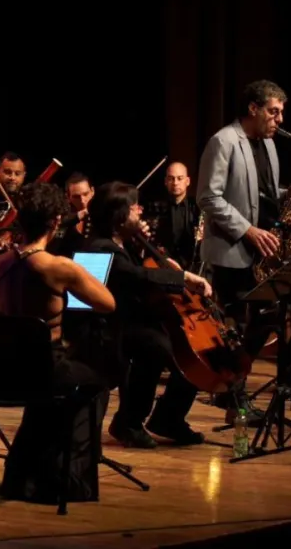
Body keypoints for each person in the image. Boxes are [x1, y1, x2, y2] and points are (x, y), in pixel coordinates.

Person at [0, 181, 118, 503]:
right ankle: (65, 478)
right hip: (45, 368)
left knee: (55, 386)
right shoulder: (56, 266)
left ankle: (24, 476)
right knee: (97, 380)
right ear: (56, 222)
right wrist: (73, 271)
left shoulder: (1, 261)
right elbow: (107, 302)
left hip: (7, 367)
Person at [196, 79, 291, 418]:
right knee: (236, 327)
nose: (279, 120)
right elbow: (208, 197)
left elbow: (263, 195)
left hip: (259, 250)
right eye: (273, 112)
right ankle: (233, 394)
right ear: (253, 109)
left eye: (281, 113)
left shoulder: (269, 145)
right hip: (231, 250)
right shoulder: (223, 141)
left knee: (266, 321)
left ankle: (233, 389)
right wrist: (247, 231)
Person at [86, 181, 213, 448]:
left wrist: (141, 245)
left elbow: (142, 266)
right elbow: (137, 274)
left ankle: (153, 419)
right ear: (119, 216)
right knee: (173, 352)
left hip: (133, 321)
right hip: (108, 329)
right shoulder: (99, 247)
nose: (141, 210)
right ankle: (137, 422)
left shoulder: (120, 242)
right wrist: (184, 277)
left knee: (163, 346)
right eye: (134, 208)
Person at [154, 161, 201, 270]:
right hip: (165, 267)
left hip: (193, 267)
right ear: (165, 181)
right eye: (171, 178)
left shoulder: (198, 207)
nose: (175, 183)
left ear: (187, 181)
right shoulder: (156, 208)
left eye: (180, 178)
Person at [49, 171, 94, 257]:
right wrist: (79, 215)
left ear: (92, 191)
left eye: (86, 194)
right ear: (68, 197)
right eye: (76, 197)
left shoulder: (103, 215)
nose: (82, 201)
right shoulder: (62, 219)